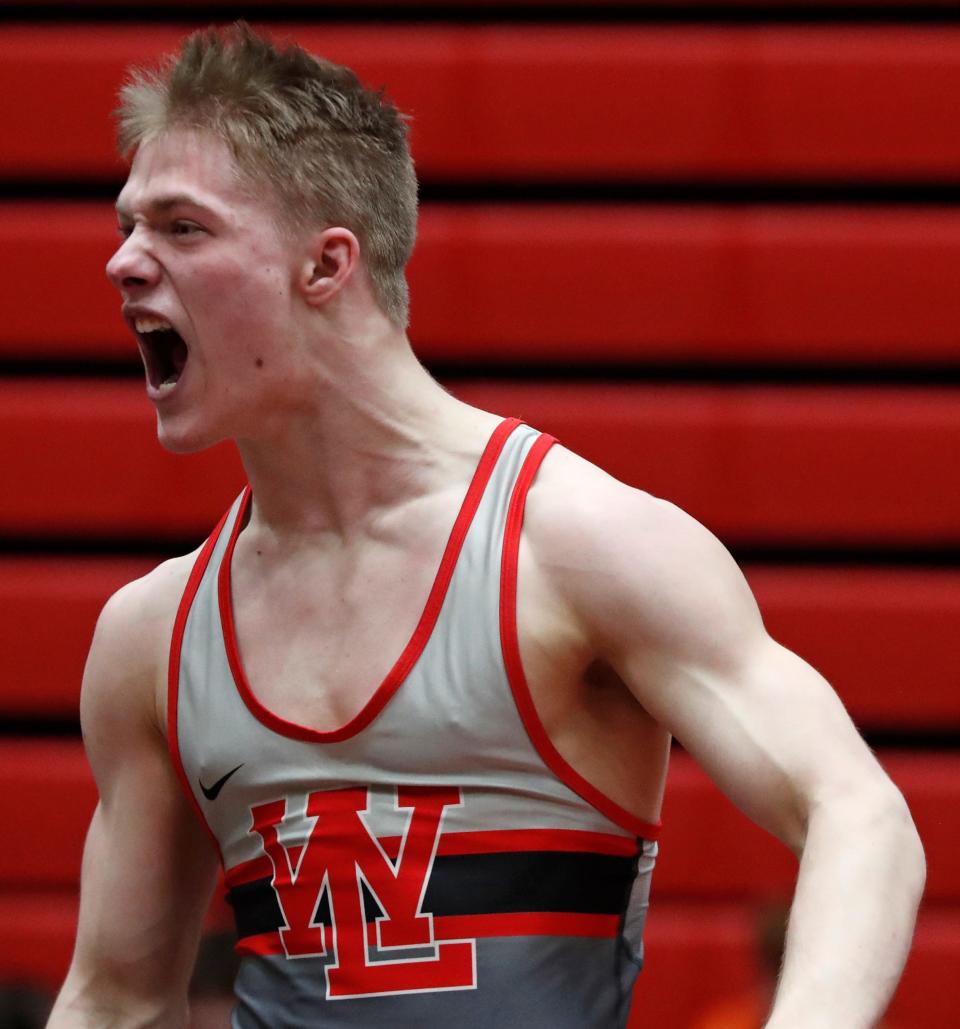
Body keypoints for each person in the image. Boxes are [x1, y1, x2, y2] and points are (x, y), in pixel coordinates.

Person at [47, 22, 924, 1029]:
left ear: (327, 266)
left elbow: (859, 816)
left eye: (180, 228)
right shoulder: (151, 636)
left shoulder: (577, 546)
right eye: (126, 226)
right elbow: (114, 1001)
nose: (123, 262)